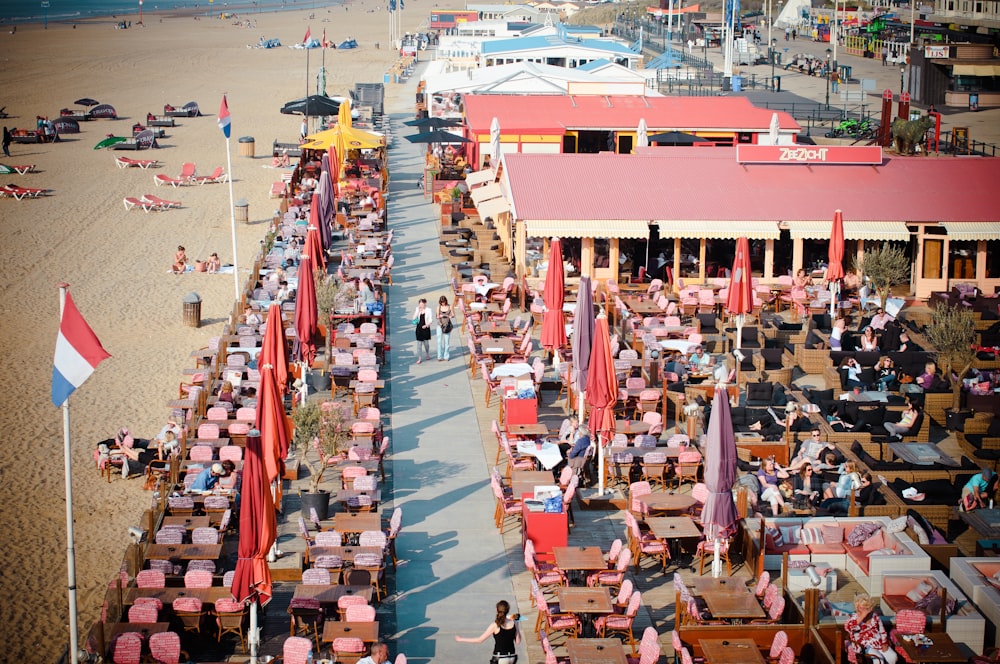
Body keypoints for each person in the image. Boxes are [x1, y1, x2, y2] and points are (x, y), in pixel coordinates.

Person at [454, 599, 520, 664]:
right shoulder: (514, 622)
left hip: (500, 658)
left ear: (497, 610)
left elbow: (479, 640)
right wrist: (517, 627)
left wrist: (461, 639)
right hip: (512, 657)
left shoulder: (495, 625)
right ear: (507, 610)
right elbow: (518, 641)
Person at [845, 593, 898, 663]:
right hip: (865, 646)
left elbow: (882, 631)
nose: (863, 610)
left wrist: (884, 642)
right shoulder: (853, 617)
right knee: (879, 660)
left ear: (870, 608)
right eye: (861, 608)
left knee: (893, 657)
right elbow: (848, 627)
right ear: (857, 607)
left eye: (866, 608)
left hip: (878, 642)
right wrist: (862, 616)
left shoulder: (874, 615)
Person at [412, 298, 432, 364]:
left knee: (426, 343)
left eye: (422, 304)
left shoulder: (428, 310)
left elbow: (430, 320)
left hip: (426, 328)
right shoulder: (417, 310)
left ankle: (427, 353)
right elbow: (413, 318)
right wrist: (417, 311)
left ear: (425, 303)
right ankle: (419, 358)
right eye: (420, 304)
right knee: (419, 344)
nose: (421, 305)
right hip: (419, 328)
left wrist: (426, 325)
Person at [436, 295, 454, 361]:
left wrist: (450, 316)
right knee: (439, 341)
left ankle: (446, 356)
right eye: (441, 302)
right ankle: (439, 356)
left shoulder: (450, 306)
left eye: (444, 302)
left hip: (447, 325)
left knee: (446, 341)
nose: (443, 303)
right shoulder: (438, 307)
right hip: (440, 325)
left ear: (446, 301)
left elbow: (453, 314)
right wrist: (440, 316)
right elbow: (437, 316)